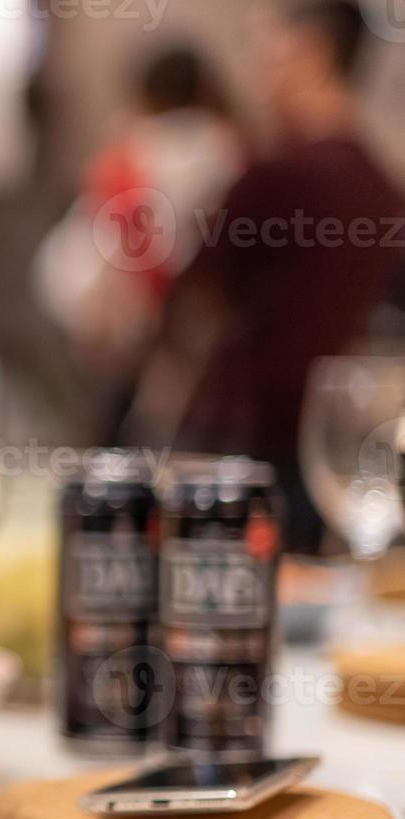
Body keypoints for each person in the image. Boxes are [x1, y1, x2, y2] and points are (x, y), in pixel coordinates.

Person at [126, 0, 404, 551]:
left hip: (241, 449)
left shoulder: (275, 177)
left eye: (267, 54)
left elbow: (189, 301)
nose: (258, 75)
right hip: (338, 454)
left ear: (311, 54)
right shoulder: (384, 189)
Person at [34, 46, 244, 443]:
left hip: (137, 315)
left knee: (127, 427)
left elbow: (121, 230)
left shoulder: (137, 148)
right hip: (174, 317)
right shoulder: (228, 146)